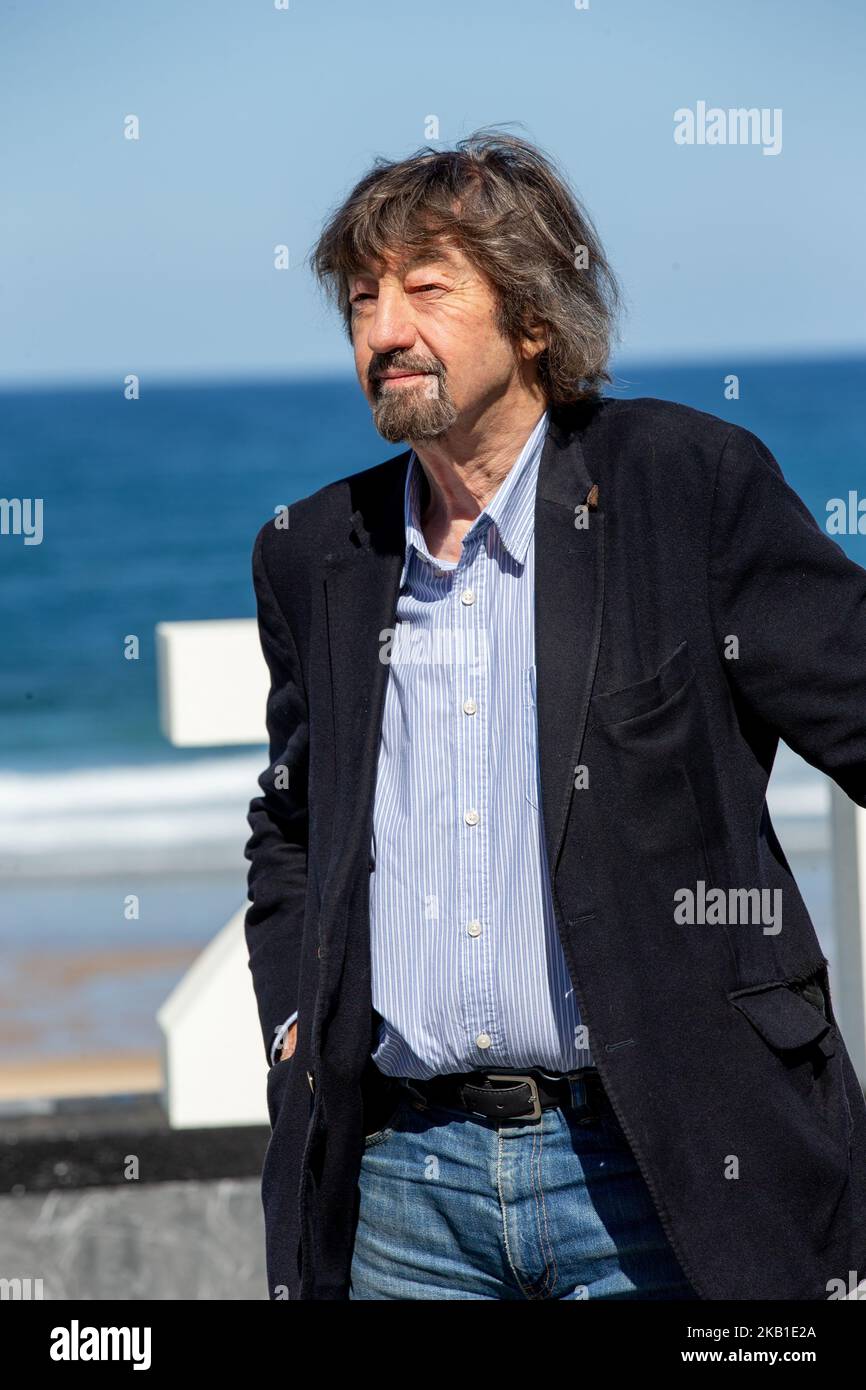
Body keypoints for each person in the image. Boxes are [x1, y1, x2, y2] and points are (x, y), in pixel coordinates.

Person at [243, 129, 866, 1301]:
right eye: (363, 298)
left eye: (425, 289)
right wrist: (294, 1019)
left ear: (532, 317)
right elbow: (290, 827)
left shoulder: (684, 485)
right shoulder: (314, 550)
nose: (383, 331)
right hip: (402, 1193)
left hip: (661, 1167)